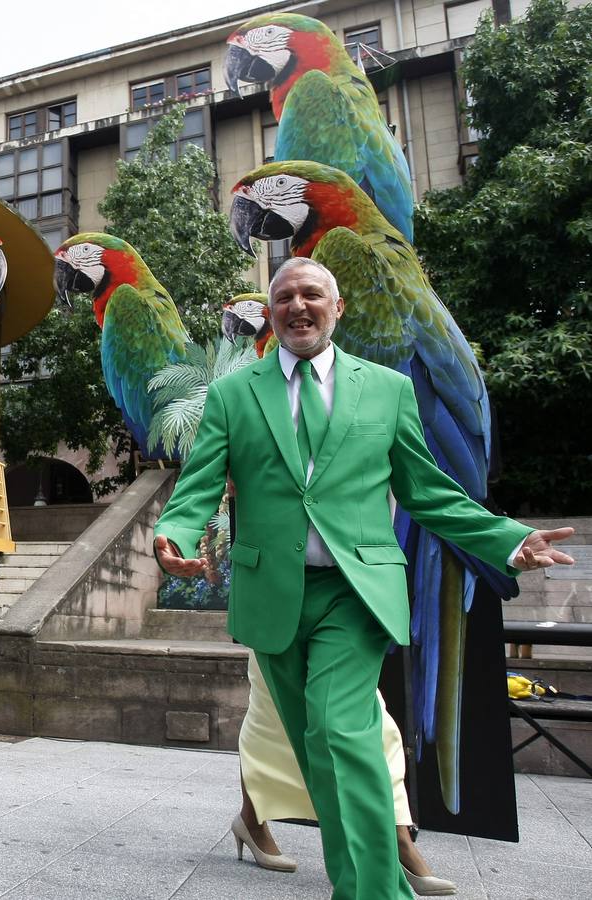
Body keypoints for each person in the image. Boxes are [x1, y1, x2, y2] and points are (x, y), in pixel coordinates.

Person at [153, 257, 575, 900]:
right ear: (270, 313)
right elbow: (199, 486)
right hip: (275, 598)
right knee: (318, 754)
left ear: (337, 308)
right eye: (285, 295)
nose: (298, 305)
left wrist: (510, 539)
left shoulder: (385, 389)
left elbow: (429, 492)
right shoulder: (234, 394)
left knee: (341, 734)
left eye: (312, 294)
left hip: (355, 594)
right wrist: (175, 539)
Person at [235, 657, 457, 896]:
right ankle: (252, 819)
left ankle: (399, 837)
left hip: (347, 621)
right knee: (270, 710)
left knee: (369, 719)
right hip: (275, 622)